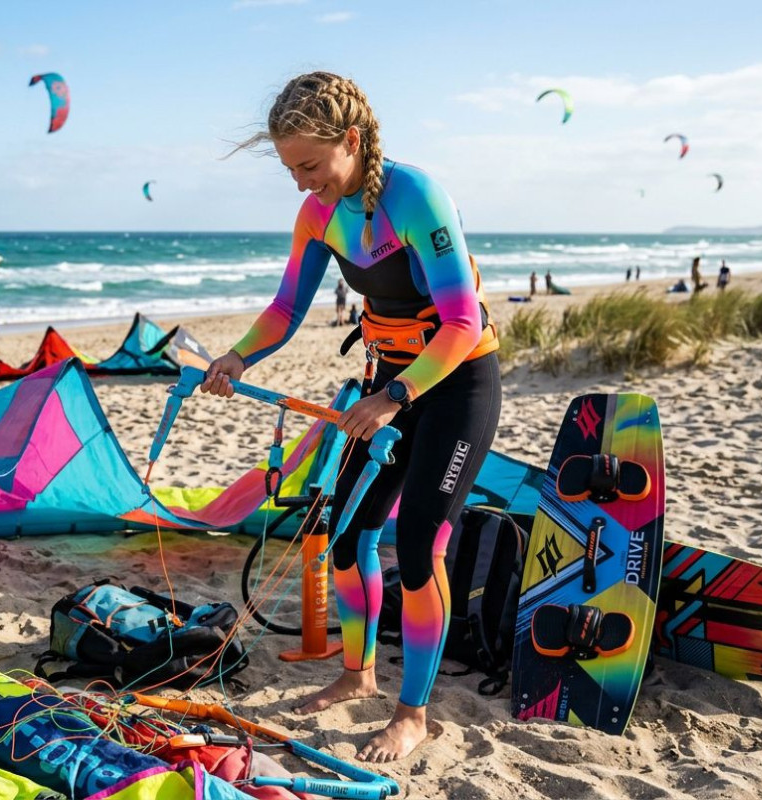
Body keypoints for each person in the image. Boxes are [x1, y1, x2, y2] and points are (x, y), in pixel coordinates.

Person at [201, 71, 501, 762]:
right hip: (386, 383)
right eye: (291, 169)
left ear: (353, 141)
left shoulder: (416, 197)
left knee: (420, 546)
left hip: (455, 384)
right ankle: (357, 674)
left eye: (310, 165)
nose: (302, 184)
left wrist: (394, 397)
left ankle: (412, 714)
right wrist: (237, 358)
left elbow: (461, 322)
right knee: (346, 535)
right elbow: (286, 309)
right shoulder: (318, 214)